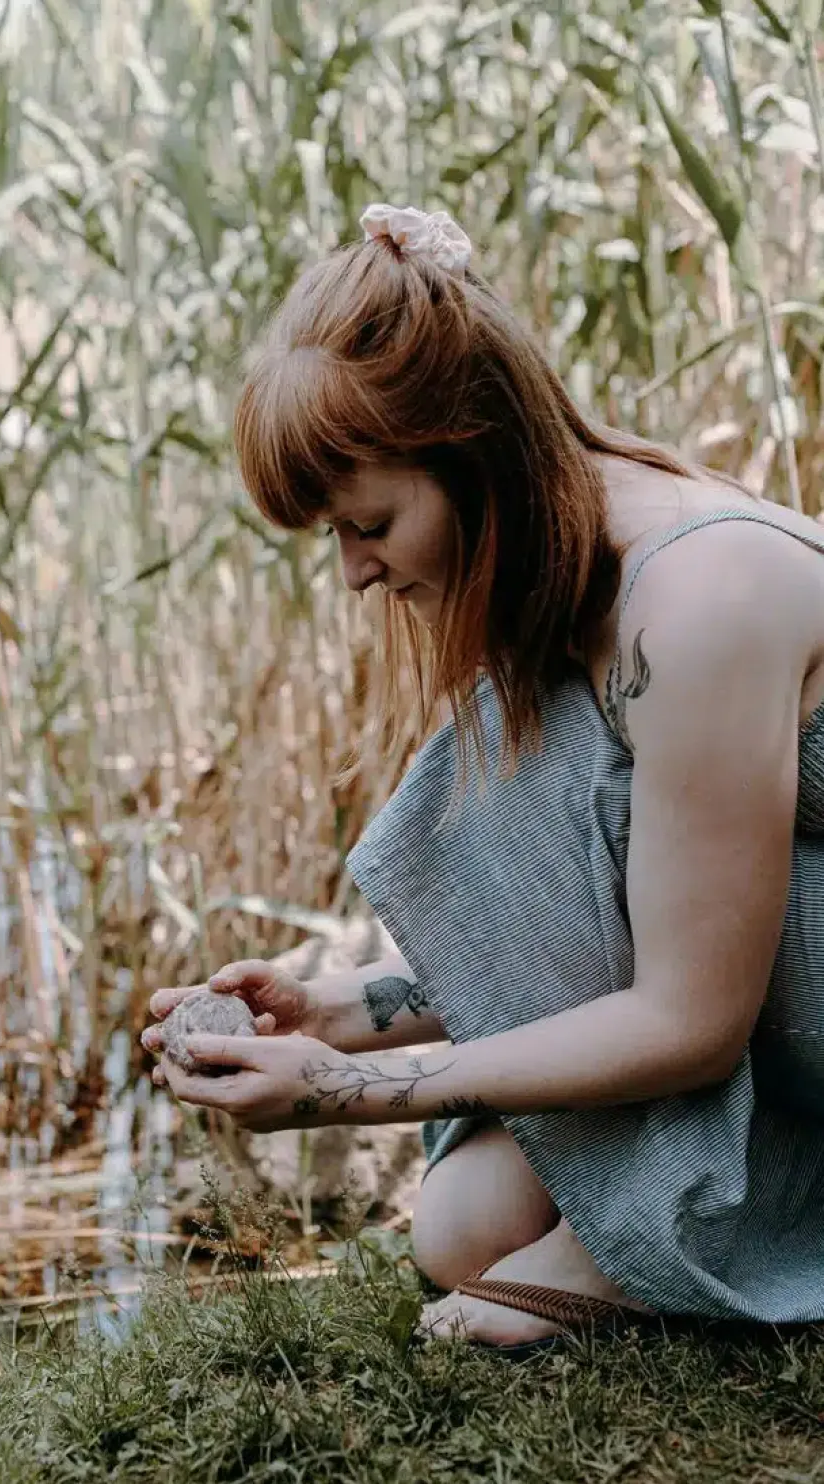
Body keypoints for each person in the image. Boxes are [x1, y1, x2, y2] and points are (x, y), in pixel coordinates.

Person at [141, 202, 824, 1357]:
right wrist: (338, 1014)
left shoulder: (697, 602)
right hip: (761, 983)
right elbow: (631, 901)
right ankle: (678, 1219)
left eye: (371, 522)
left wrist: (343, 1093)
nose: (357, 571)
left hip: (764, 991)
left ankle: (702, 1230)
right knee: (464, 1224)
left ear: (476, 456)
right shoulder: (567, 581)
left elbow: (696, 1015)